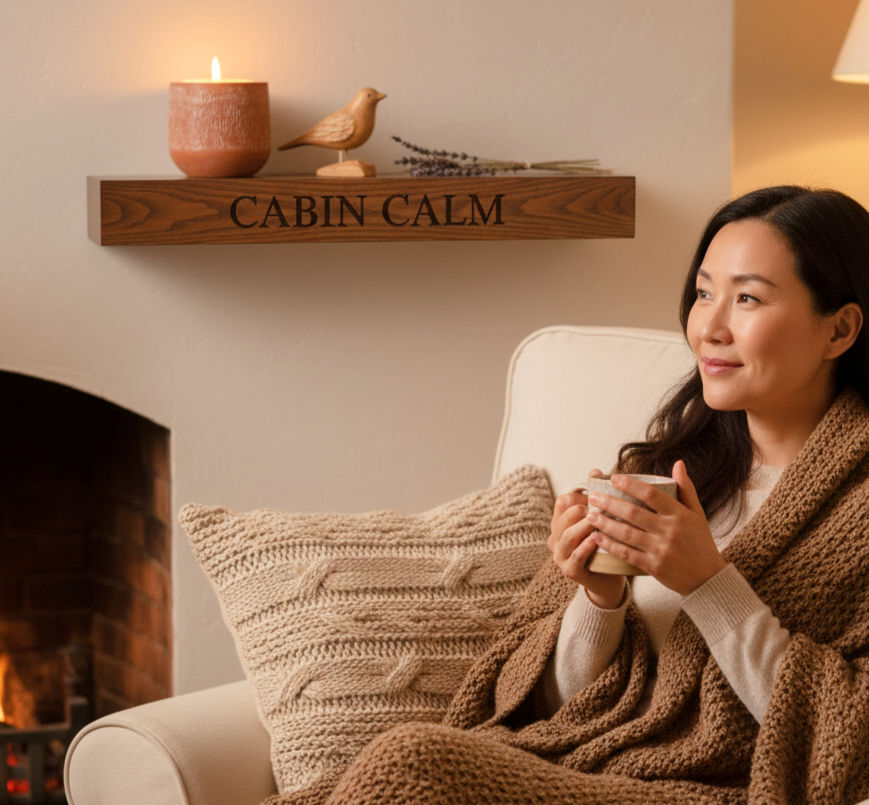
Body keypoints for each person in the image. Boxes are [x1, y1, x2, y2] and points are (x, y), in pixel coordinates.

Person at [283, 186, 869, 804]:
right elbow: (547, 713)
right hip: (582, 774)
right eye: (703, 293)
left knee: (411, 758)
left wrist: (708, 582)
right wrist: (598, 598)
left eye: (747, 298)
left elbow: (851, 742)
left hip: (715, 792)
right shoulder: (655, 473)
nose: (710, 328)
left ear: (840, 329)